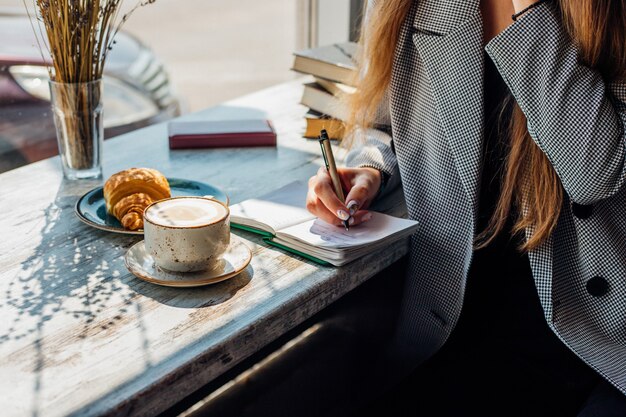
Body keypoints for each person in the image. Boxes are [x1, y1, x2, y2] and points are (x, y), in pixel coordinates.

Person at [306, 0, 626, 415]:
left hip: (596, 346)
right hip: (456, 329)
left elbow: (594, 174)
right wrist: (370, 169)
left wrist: (528, 13)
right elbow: (386, 120)